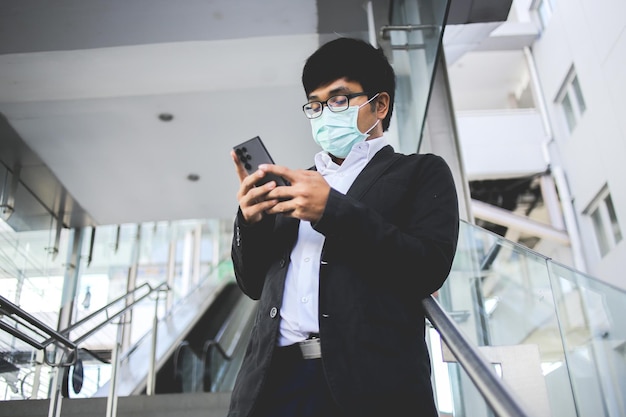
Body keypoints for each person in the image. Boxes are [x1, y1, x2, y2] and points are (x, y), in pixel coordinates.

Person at [227, 37, 459, 417]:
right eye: (315, 104)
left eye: (338, 99)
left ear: (379, 104)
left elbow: (428, 266)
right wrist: (250, 222)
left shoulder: (421, 172)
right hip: (273, 381)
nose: (323, 113)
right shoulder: (295, 185)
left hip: (371, 383)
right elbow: (252, 284)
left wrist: (331, 210)